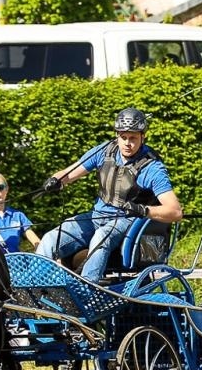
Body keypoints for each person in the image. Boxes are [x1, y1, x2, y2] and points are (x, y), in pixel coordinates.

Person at [36, 108, 182, 281]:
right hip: (96, 217)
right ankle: (34, 286)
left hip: (125, 221)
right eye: (123, 137)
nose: (128, 143)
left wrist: (143, 210)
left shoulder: (152, 168)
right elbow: (69, 173)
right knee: (51, 237)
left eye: (133, 138)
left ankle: (88, 289)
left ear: (143, 137)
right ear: (117, 135)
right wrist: (56, 180)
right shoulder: (104, 151)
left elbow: (175, 212)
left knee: (101, 237)